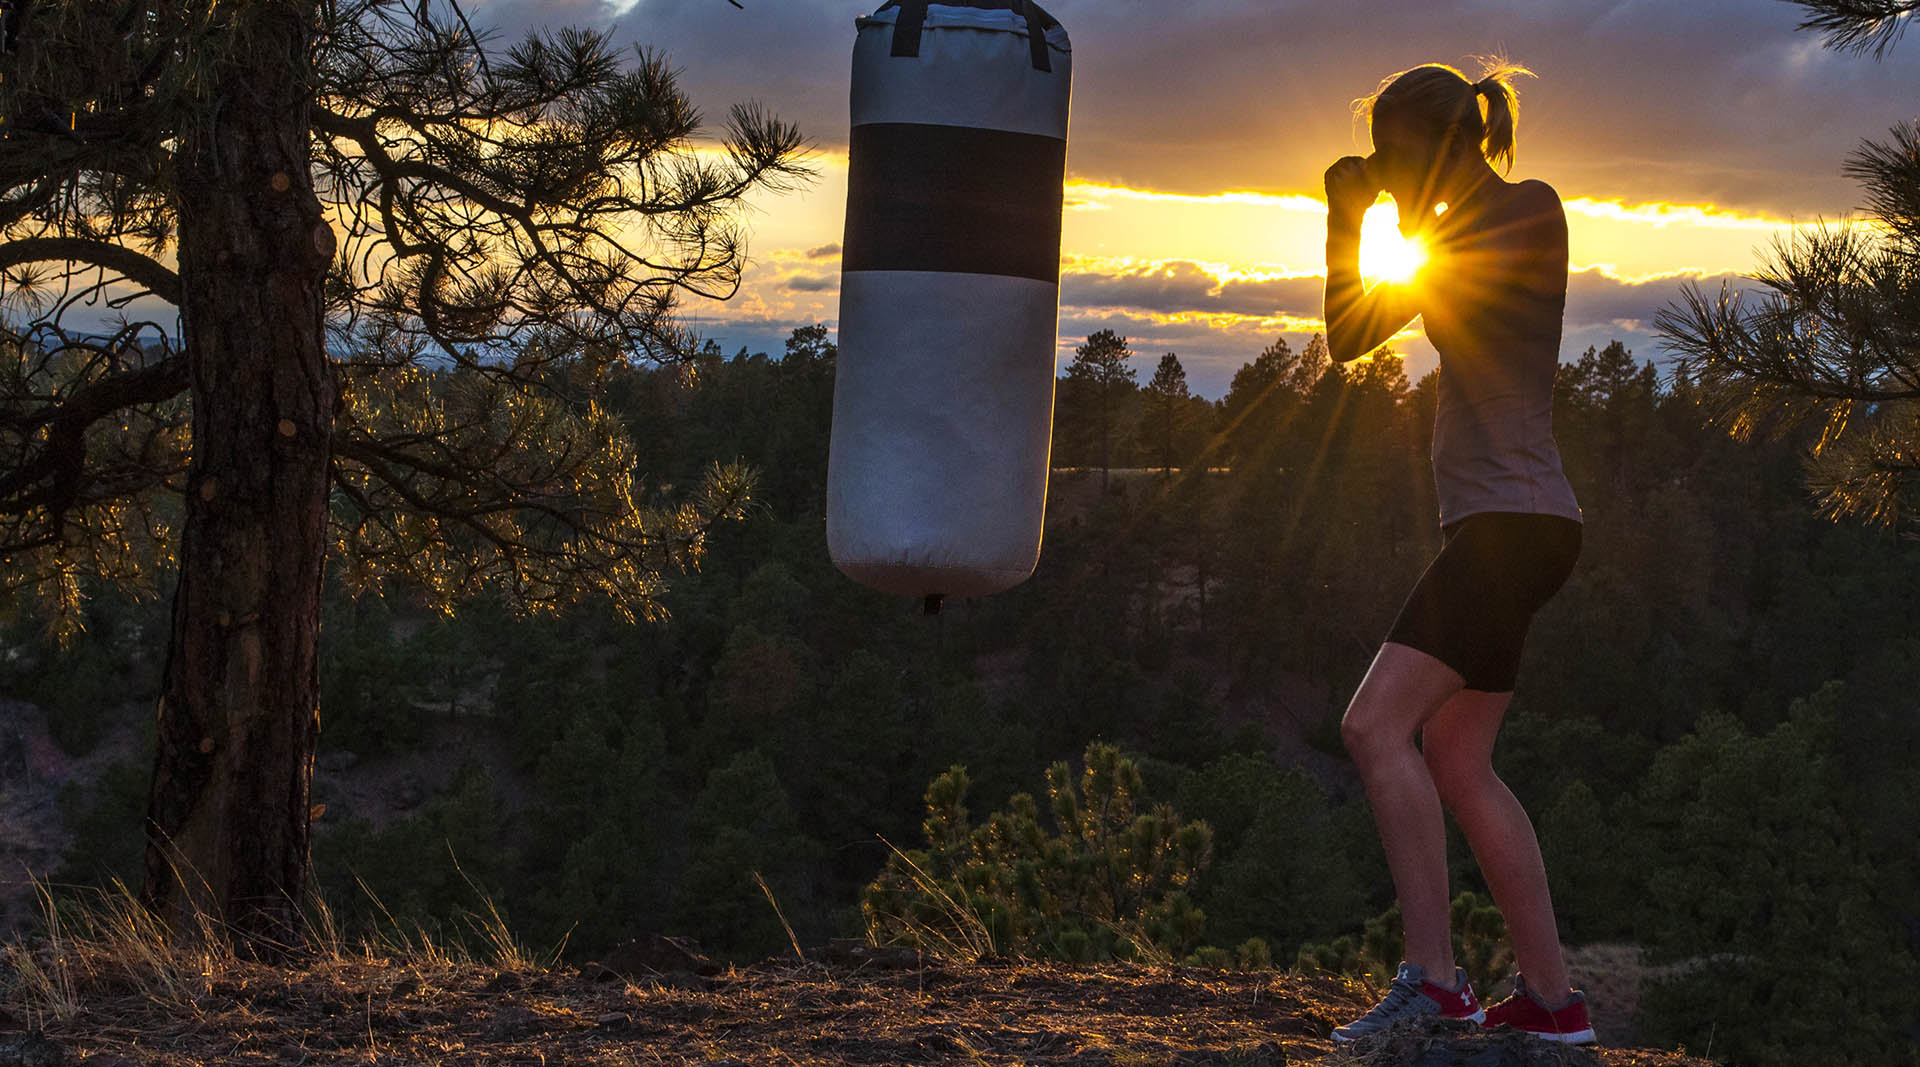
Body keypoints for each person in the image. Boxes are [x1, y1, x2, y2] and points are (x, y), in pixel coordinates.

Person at [1320, 60, 1596, 1045]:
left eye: (1396, 168)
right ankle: (1554, 1003)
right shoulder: (1446, 231)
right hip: (1508, 527)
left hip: (1512, 527)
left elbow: (1452, 251)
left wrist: (1388, 213)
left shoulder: (1526, 208)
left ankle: (1435, 980)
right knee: (1457, 753)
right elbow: (1348, 334)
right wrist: (1351, 220)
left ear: (1438, 147)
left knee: (1371, 726)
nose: (1391, 190)